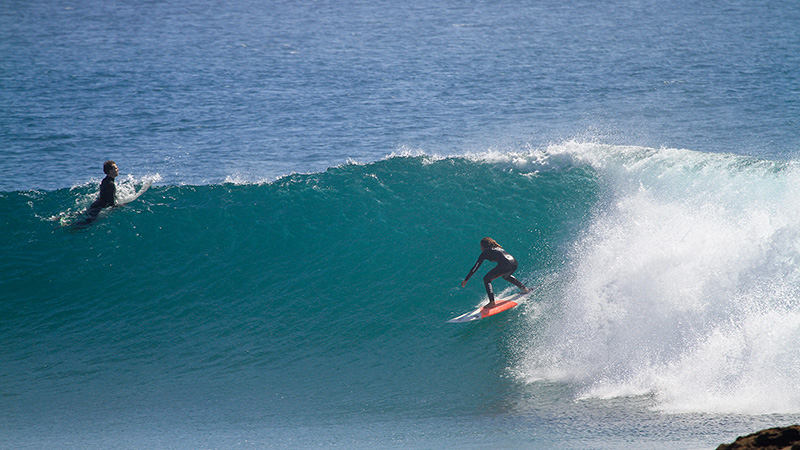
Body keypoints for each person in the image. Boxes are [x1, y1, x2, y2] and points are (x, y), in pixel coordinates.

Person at [461, 237, 530, 308]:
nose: (480, 248)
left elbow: (476, 266)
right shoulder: (497, 248)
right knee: (506, 276)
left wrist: (466, 279)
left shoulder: (486, 252)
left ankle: (492, 303)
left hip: (505, 264)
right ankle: (525, 289)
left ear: (484, 246)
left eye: (481, 246)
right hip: (514, 263)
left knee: (486, 279)